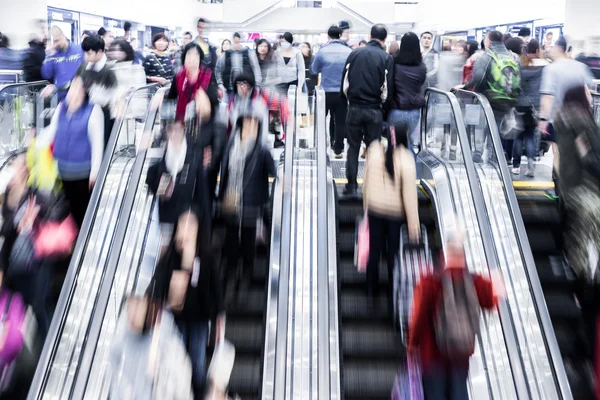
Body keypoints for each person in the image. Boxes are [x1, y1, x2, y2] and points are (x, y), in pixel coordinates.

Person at [409, 233, 504, 400]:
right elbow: (491, 302)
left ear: (443, 256)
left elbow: (418, 317)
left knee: (434, 394)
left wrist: (412, 344)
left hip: (432, 356)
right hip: (461, 352)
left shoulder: (430, 282)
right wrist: (496, 282)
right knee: (459, 393)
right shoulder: (475, 282)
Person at [151, 209, 225, 398]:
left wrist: (219, 314)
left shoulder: (206, 255)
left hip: (200, 316)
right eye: (183, 224)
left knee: (198, 359)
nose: (186, 229)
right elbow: (159, 283)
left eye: (191, 225)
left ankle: (198, 390)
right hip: (177, 317)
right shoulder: (170, 256)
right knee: (179, 358)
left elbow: (215, 286)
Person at [553, 86, 600, 355]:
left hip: (569, 199)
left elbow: (559, 164)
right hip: (589, 203)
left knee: (578, 262)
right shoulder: (586, 125)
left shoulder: (560, 122)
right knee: (591, 271)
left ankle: (579, 313)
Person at [166, 42, 224, 237]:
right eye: (188, 56)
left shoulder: (208, 78)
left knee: (203, 185)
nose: (191, 60)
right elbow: (171, 98)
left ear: (200, 59)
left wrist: (208, 145)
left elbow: (213, 114)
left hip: (203, 139)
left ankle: (204, 231)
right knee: (184, 182)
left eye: (195, 56)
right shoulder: (179, 77)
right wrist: (161, 97)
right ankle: (184, 228)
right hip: (182, 139)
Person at [219, 109, 276, 297]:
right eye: (247, 124)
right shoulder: (230, 146)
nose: (250, 128)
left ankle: (246, 277)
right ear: (240, 125)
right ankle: (231, 276)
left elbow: (272, 171)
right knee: (231, 242)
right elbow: (225, 174)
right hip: (231, 203)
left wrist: (282, 180)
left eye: (254, 125)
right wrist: (221, 196)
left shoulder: (261, 150)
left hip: (252, 205)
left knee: (248, 244)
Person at [36, 76, 104, 228]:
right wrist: (35, 141)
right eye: (72, 89)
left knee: (82, 209)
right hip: (61, 171)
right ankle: (71, 239)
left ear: (84, 93)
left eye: (78, 90)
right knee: (66, 208)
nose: (73, 94)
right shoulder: (61, 108)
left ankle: (82, 237)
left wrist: (95, 172)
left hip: (82, 174)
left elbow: (97, 143)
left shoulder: (93, 111)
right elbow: (52, 132)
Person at [363, 122, 419, 304]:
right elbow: (410, 197)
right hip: (395, 214)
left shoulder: (373, 150)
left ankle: (371, 292)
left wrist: (366, 207)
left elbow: (365, 183)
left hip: (374, 210)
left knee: (374, 251)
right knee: (393, 255)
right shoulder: (406, 159)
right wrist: (414, 227)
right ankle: (392, 294)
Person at [341, 24, 394, 197]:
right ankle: (371, 186)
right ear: (384, 39)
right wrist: (383, 107)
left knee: (353, 148)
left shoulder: (354, 53)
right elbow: (388, 88)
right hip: (374, 110)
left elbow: (345, 83)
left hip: (354, 107)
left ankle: (351, 186)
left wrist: (349, 101)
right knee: (374, 150)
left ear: (370, 35)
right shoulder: (386, 58)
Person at [110, 294, 194, 400]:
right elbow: (115, 365)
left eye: (137, 307)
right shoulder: (122, 340)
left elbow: (182, 377)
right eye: (129, 308)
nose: (132, 314)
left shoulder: (167, 341)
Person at [539, 36, 594, 182]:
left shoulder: (551, 69)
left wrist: (543, 119)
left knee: (558, 153)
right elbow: (587, 93)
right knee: (578, 151)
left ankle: (560, 189)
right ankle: (579, 183)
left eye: (552, 47)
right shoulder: (581, 67)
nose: (549, 49)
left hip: (557, 119)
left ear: (560, 48)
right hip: (580, 118)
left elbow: (548, 97)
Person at [310, 25, 352, 158]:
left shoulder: (322, 51)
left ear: (328, 36)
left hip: (325, 92)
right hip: (342, 93)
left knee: (321, 120)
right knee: (340, 121)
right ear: (340, 35)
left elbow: (314, 70)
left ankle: (321, 146)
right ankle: (338, 149)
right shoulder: (349, 51)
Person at [511, 39, 547, 177]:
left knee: (518, 136)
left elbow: (513, 84)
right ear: (537, 50)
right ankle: (531, 165)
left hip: (519, 104)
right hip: (535, 106)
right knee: (531, 136)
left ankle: (515, 166)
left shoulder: (519, 63)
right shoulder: (544, 66)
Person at [77, 34, 118, 145]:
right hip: (87, 111)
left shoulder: (109, 69)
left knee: (102, 143)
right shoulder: (84, 66)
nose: (86, 56)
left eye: (89, 53)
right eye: (84, 53)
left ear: (99, 52)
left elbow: (114, 96)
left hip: (104, 114)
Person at [389, 32, 426, 152]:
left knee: (395, 145)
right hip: (415, 111)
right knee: (409, 143)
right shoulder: (421, 66)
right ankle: (412, 169)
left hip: (396, 110)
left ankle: (397, 170)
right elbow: (421, 83)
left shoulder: (394, 63)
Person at [108, 39, 148, 127]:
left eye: (120, 50)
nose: (116, 53)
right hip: (112, 112)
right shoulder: (109, 67)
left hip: (129, 114)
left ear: (127, 51)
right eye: (113, 50)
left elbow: (139, 92)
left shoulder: (136, 68)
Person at [41, 26, 84, 101]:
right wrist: (49, 56)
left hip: (78, 95)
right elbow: (46, 75)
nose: (56, 44)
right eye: (53, 42)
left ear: (63, 36)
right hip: (62, 97)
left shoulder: (78, 50)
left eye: (57, 40)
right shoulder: (53, 54)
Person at [215, 32, 262, 98]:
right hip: (230, 89)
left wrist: (257, 85)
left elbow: (256, 68)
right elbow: (218, 70)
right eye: (235, 41)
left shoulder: (248, 53)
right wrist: (220, 84)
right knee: (231, 107)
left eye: (238, 41)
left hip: (246, 89)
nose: (236, 43)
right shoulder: (225, 55)